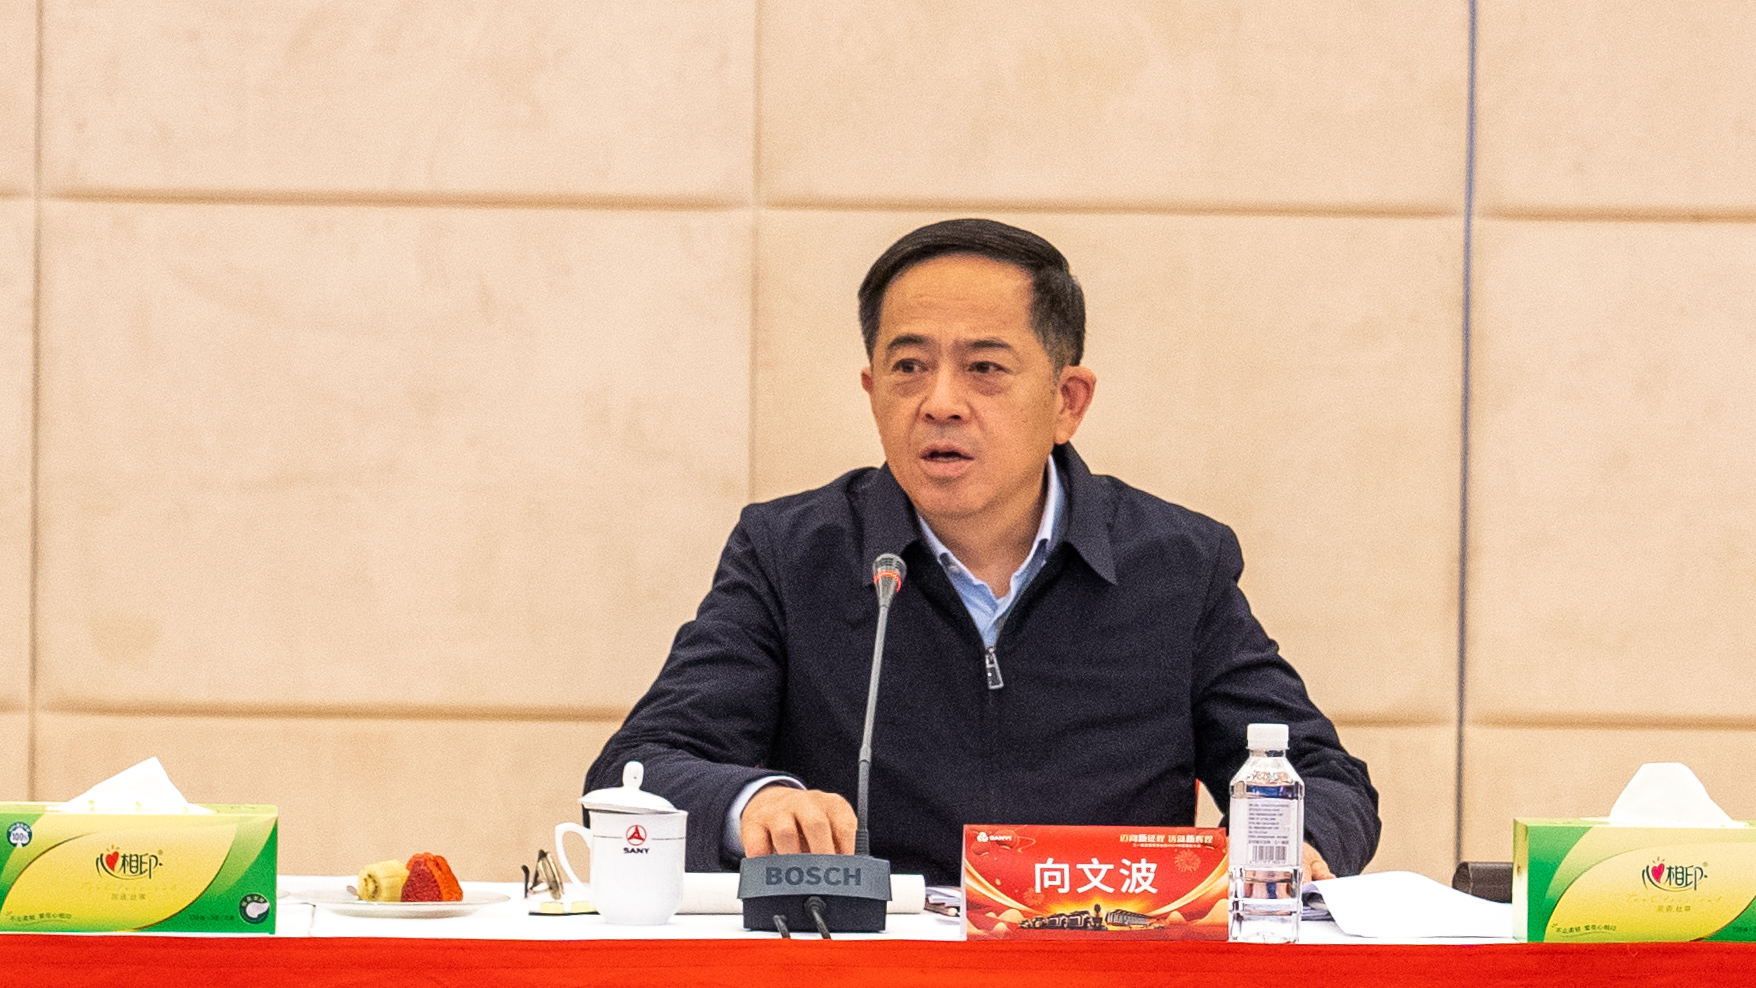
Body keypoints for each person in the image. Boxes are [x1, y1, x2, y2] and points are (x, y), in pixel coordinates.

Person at [585, 219, 1379, 886]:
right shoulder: (791, 554)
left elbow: (1323, 779)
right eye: (908, 368)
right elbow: (639, 770)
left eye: (985, 369)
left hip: (1103, 964)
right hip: (867, 967)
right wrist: (753, 802)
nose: (940, 403)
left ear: (1067, 401)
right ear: (872, 392)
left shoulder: (1175, 564)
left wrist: (1292, 847)